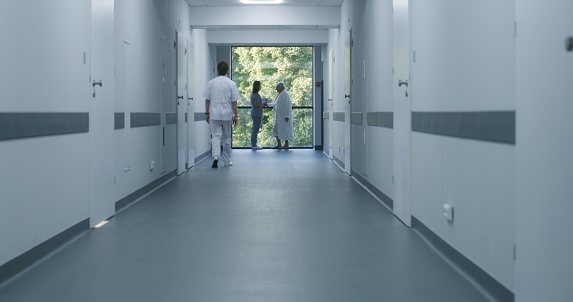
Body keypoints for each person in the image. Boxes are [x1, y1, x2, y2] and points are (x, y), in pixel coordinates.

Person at [203, 61, 240, 168]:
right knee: (227, 137)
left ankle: (215, 156)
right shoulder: (231, 84)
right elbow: (234, 102)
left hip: (214, 113)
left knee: (215, 136)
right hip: (226, 113)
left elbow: (207, 99)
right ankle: (227, 161)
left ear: (218, 70)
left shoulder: (211, 83)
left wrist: (207, 113)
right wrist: (236, 115)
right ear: (227, 70)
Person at [266, 82, 294, 149]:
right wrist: (268, 105)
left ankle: (286, 144)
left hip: (284, 116)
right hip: (279, 116)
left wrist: (287, 116)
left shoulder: (285, 94)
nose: (276, 89)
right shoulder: (279, 95)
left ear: (280, 87)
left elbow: (288, 105)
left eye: (277, 88)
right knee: (276, 129)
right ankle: (279, 144)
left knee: (285, 130)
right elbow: (275, 103)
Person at [250, 81, 267, 150]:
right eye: (260, 85)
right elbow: (257, 105)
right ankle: (254, 145)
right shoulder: (256, 95)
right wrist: (263, 104)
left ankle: (254, 144)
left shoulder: (253, 94)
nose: (260, 87)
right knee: (255, 130)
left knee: (255, 129)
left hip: (255, 113)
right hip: (257, 114)